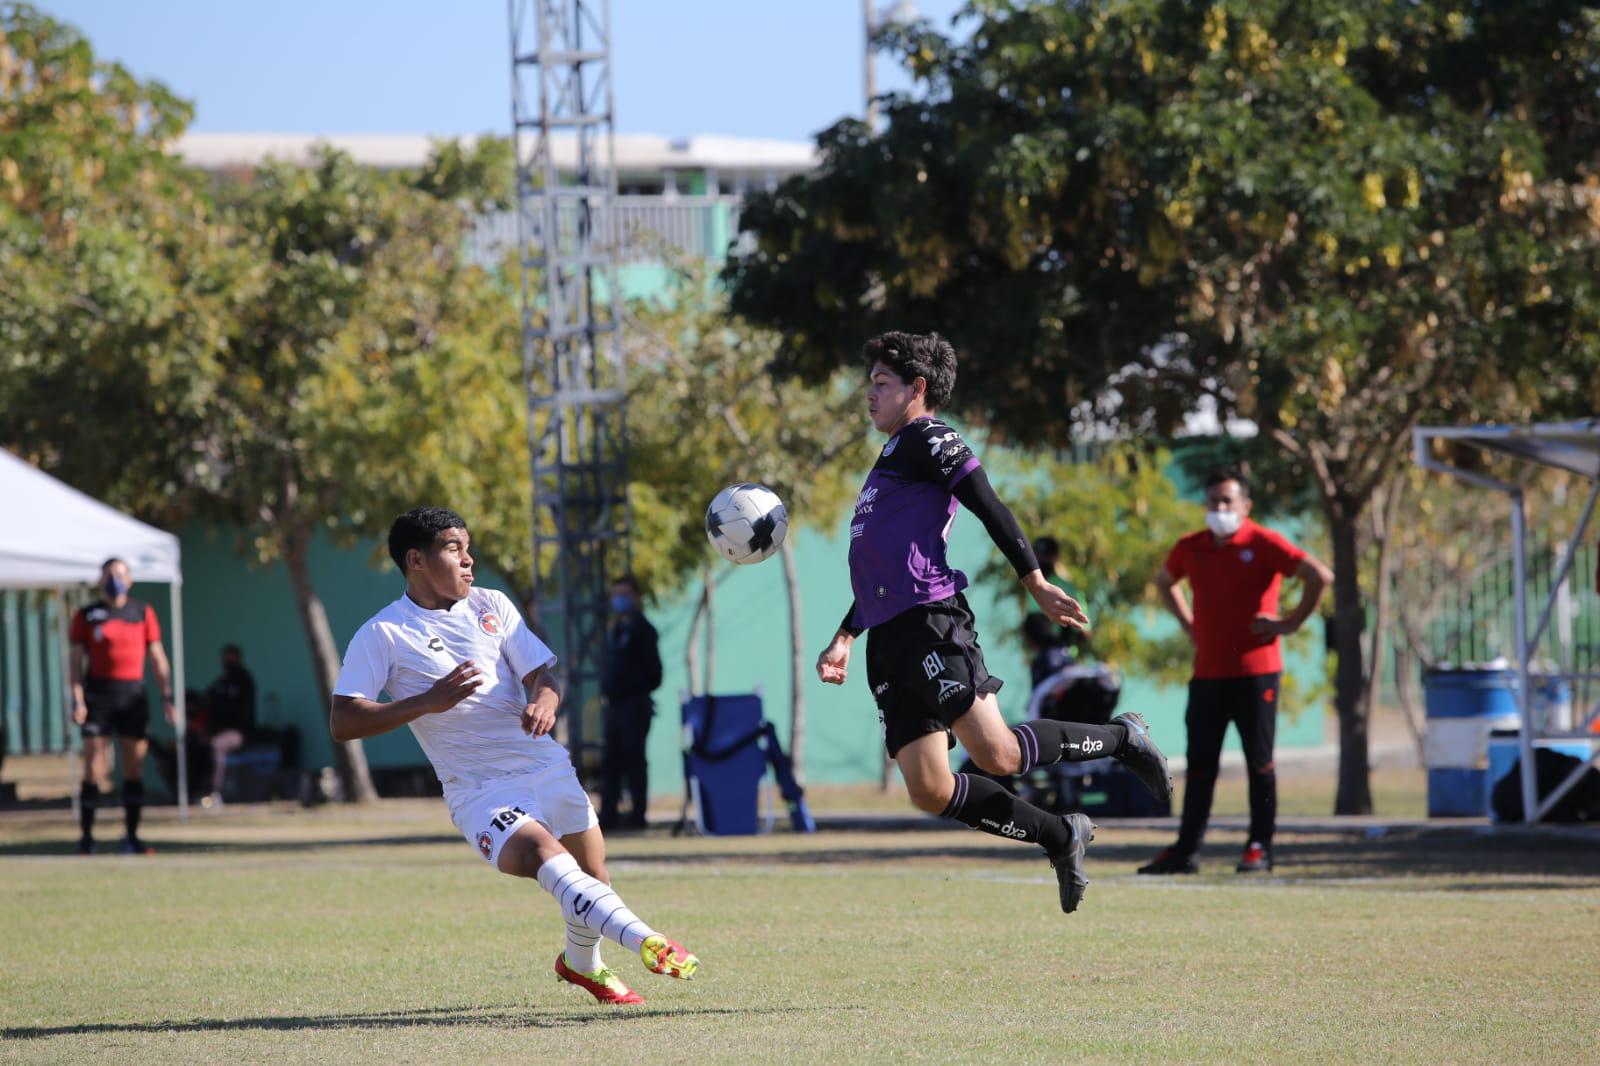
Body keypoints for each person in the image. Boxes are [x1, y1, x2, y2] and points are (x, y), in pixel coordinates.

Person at [814, 332, 1172, 914]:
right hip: (889, 639)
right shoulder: (887, 460)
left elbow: (988, 502)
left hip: (931, 623)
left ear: (917, 389)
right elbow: (885, 566)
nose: (870, 396)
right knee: (930, 789)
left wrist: (1035, 581)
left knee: (998, 755)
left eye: (881, 384)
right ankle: (1061, 835)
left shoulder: (930, 436)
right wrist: (846, 635)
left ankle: (1122, 738)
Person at [330, 507, 699, 1006]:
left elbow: (542, 674)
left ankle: (581, 965)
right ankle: (648, 941)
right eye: (455, 548)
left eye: (468, 547)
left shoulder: (492, 604)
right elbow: (343, 720)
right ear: (415, 559)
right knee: (547, 858)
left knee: (593, 879)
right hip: (481, 789)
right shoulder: (385, 633)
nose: (469, 560)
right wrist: (425, 702)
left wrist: (544, 701)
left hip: (545, 764)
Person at [1139, 469, 1332, 875]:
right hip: (1208, 674)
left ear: (1246, 506)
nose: (1220, 509)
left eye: (1228, 502)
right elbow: (1164, 580)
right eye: (1213, 502)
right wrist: (1189, 625)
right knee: (1199, 765)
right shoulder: (1192, 547)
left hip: (1257, 674)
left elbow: (1319, 576)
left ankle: (1259, 846)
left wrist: (1289, 623)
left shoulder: (1263, 542)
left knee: (1259, 763)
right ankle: (1185, 850)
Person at [69, 557, 177, 855]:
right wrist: (77, 697)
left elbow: (157, 658)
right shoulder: (88, 615)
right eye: (108, 574)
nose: (114, 579)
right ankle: (87, 837)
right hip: (98, 695)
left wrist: (167, 697)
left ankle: (131, 836)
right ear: (100, 579)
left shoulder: (142, 612)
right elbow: (76, 663)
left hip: (132, 695)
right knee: (95, 766)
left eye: (120, 574)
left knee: (133, 767)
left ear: (129, 580)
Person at [599, 574, 662, 830]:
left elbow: (655, 675)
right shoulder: (616, 630)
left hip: (634, 706)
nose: (620, 600)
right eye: (616, 595)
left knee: (635, 761)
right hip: (614, 707)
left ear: (635, 597)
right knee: (611, 762)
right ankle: (609, 817)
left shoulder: (644, 630)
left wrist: (628, 688)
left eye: (625, 595)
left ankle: (638, 817)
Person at [202, 644, 257, 808]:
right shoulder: (221, 681)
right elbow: (207, 701)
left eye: (230, 657)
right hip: (218, 731)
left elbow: (241, 712)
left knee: (218, 745)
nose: (227, 660)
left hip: (240, 733)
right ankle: (193, 791)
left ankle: (215, 793)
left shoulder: (245, 680)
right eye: (225, 657)